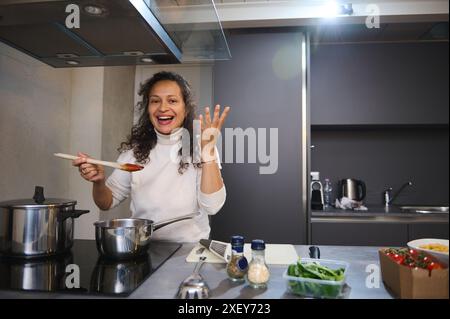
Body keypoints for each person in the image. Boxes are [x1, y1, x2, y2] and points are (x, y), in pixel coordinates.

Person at [73, 71, 230, 242]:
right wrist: (99, 182)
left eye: (172, 101)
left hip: (189, 250)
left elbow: (213, 206)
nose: (162, 108)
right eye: (155, 101)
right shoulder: (134, 153)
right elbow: (106, 202)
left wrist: (208, 153)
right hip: (142, 247)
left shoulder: (203, 147)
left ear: (185, 110)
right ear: (148, 109)